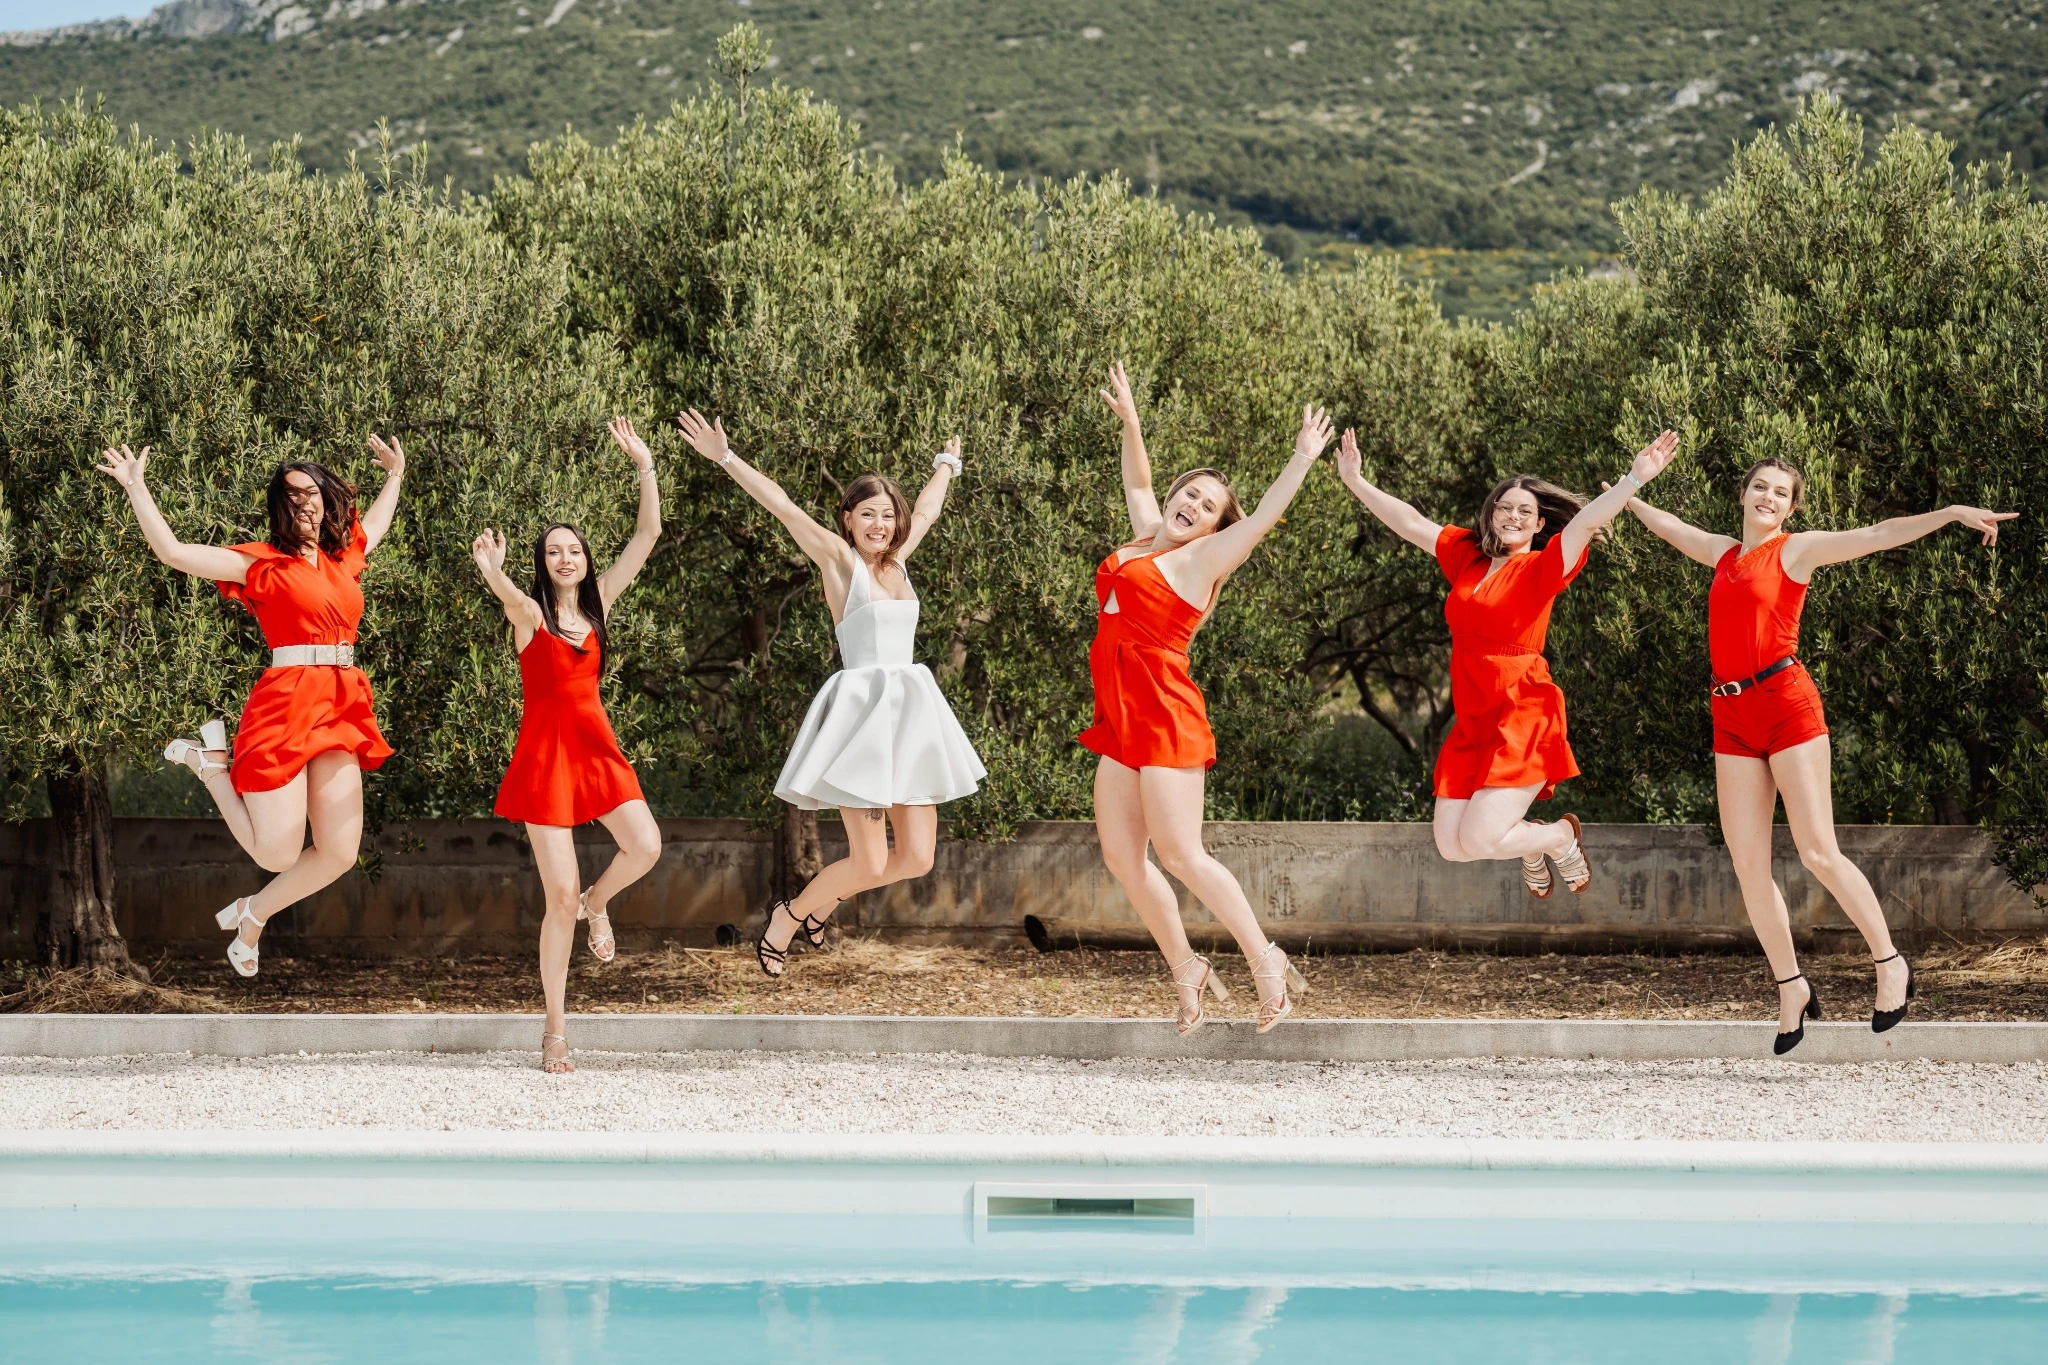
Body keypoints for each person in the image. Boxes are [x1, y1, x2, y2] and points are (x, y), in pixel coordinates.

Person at [1620, 458, 2015, 1051]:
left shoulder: (1796, 551)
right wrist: (1627, 493)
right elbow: (1671, 526)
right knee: (1748, 867)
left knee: (1817, 852)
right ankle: (1791, 987)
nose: (1768, 497)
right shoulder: (1723, 554)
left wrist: (1951, 513)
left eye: (1781, 493)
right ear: (1743, 493)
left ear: (1792, 506)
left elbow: (1879, 533)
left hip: (1786, 705)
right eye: (1759, 487)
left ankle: (1889, 963)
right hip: (1731, 715)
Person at [674, 409, 985, 978]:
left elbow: (928, 510)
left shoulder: (899, 562)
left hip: (911, 717)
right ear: (848, 519)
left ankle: (824, 901)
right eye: (868, 514)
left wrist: (947, 464)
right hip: (863, 720)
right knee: (869, 860)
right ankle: (789, 915)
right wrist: (725, 457)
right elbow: (785, 507)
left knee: (917, 857)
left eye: (887, 515)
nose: (880, 524)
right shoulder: (841, 562)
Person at [98, 436, 407, 977]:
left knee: (339, 852)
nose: (305, 503)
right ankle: (212, 769)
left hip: (340, 705)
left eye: (312, 493)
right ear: (279, 507)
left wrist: (395, 477)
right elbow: (173, 552)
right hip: (287, 703)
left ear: (327, 501)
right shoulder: (260, 563)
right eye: (293, 496)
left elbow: (376, 525)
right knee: (276, 855)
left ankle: (253, 914)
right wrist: (136, 488)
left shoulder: (343, 558)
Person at [1085, 362, 1333, 1036]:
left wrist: (1300, 459)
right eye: (1189, 493)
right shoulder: (1145, 535)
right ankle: (1187, 966)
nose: (1192, 505)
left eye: (1207, 507)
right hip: (1121, 717)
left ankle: (1266, 960)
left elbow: (1263, 520)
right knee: (1122, 858)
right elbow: (1139, 483)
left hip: (1164, 715)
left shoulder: (1200, 562)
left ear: (1214, 528)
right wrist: (1132, 422)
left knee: (1181, 854)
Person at [1334, 425, 1680, 899]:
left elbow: (1583, 523)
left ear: (1539, 524)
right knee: (1452, 847)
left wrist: (1633, 479)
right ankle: (1531, 841)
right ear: (1491, 514)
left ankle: (1558, 837)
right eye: (1504, 507)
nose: (1513, 515)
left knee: (1480, 839)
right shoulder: (1468, 558)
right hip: (1474, 716)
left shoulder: (1543, 567)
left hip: (1522, 710)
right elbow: (1411, 522)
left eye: (1525, 511)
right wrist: (1355, 481)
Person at [471, 419, 665, 1074]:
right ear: (542, 562)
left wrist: (644, 466)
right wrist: (494, 573)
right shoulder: (532, 616)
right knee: (559, 896)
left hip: (595, 749)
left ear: (584, 558)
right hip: (545, 759)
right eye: (553, 551)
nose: (565, 558)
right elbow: (512, 601)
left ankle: (599, 904)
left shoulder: (600, 602)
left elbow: (647, 535)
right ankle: (555, 1028)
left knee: (645, 846)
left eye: (573, 549)